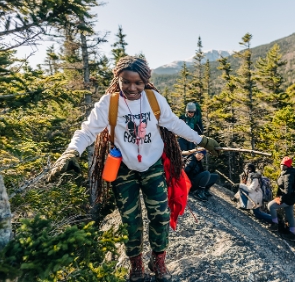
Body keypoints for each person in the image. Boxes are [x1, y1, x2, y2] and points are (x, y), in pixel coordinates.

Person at [46, 56, 220, 282]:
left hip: (152, 167)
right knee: (131, 221)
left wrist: (201, 140)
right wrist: (71, 152)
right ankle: (135, 263)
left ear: (146, 81)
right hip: (123, 170)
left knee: (160, 215)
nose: (132, 87)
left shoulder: (154, 100)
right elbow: (88, 131)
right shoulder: (110, 103)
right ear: (117, 79)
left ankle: (158, 260)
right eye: (126, 81)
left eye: (138, 83)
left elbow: (174, 123)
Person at [267, 157, 295, 241]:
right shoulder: (286, 172)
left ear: (288, 166)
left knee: (271, 206)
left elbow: (287, 190)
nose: (282, 166)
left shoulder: (288, 175)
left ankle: (275, 225)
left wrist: (281, 199)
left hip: (287, 198)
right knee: (289, 215)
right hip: (291, 198)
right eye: (281, 164)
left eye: (284, 165)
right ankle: (292, 234)